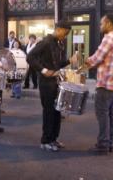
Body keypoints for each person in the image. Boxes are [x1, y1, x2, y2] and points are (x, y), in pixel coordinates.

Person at [27, 21, 78, 152]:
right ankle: (45, 140)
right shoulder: (45, 42)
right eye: (65, 33)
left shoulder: (57, 43)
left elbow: (56, 64)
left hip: (55, 82)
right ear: (59, 30)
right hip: (46, 82)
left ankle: (53, 138)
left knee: (57, 110)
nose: (65, 36)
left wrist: (68, 61)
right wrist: (44, 70)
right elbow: (30, 57)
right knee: (49, 111)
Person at [84, 14, 113, 154]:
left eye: (102, 24)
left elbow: (96, 58)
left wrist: (84, 62)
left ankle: (102, 145)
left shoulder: (108, 38)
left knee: (102, 115)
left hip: (106, 83)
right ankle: (109, 144)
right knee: (111, 115)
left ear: (108, 23)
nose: (100, 26)